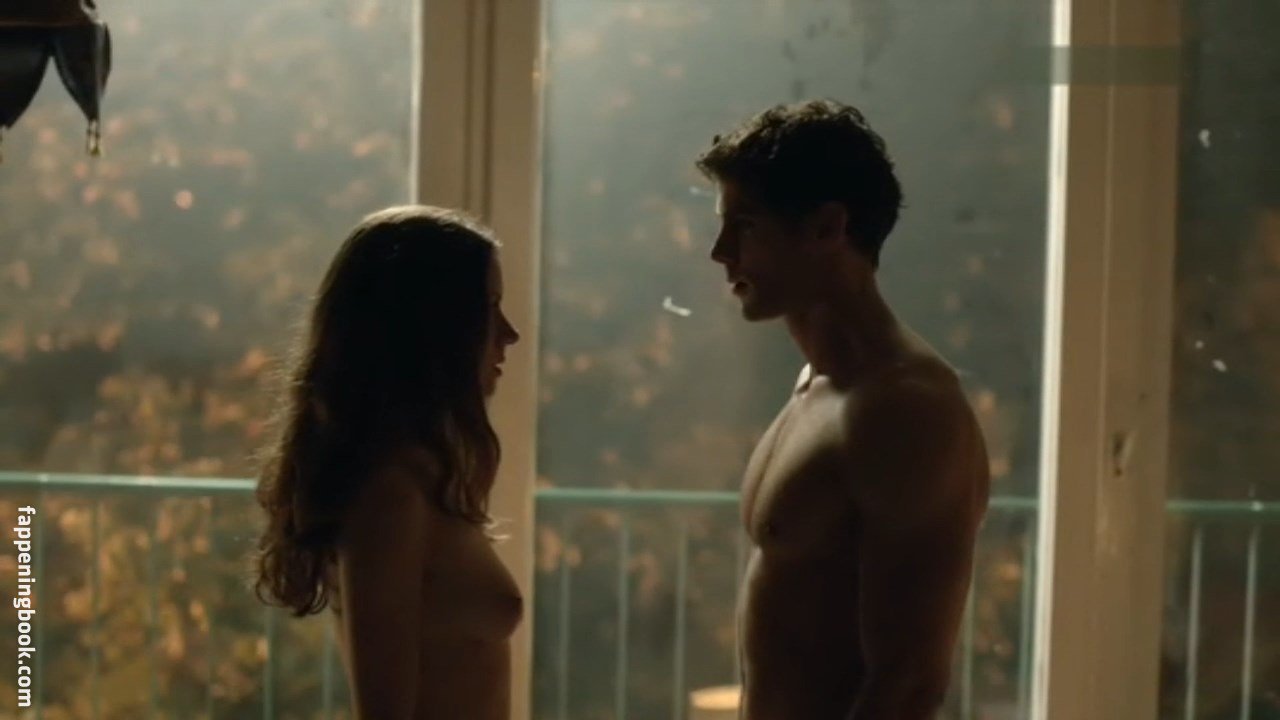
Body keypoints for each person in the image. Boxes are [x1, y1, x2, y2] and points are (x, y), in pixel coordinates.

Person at [695, 100, 991, 719]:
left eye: (745, 225)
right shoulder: (818, 385)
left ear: (828, 228)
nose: (721, 252)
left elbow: (909, 681)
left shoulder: (906, 409)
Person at [252, 205, 522, 720]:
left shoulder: (425, 475)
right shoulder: (390, 493)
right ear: (434, 325)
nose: (508, 334)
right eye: (488, 308)